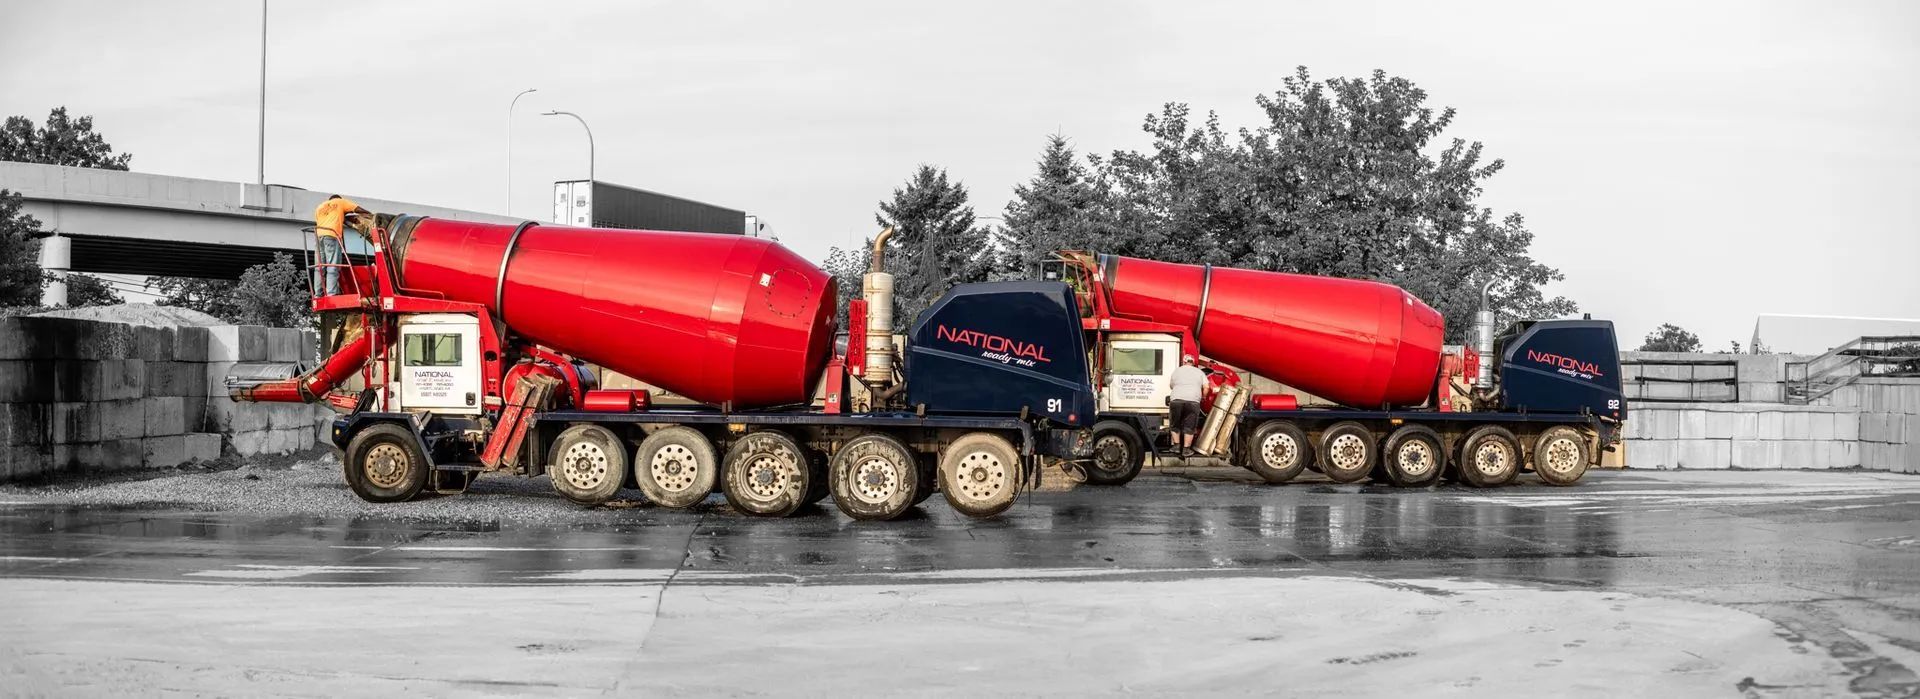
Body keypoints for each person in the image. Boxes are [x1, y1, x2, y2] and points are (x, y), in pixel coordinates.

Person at [312, 195, 369, 296]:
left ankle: (317, 294)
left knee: (320, 267)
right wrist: (370, 215)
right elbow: (357, 209)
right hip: (331, 235)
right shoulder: (340, 202)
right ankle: (331, 293)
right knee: (332, 265)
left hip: (318, 236)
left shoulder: (320, 207)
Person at [1168, 353, 1208, 457]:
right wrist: (1203, 397)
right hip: (1193, 401)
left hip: (1177, 400)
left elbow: (1171, 386)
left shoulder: (1177, 371)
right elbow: (1206, 387)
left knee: (1175, 423)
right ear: (1193, 362)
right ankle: (1186, 450)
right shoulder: (1199, 372)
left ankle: (1176, 446)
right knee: (1190, 425)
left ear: (1184, 361)